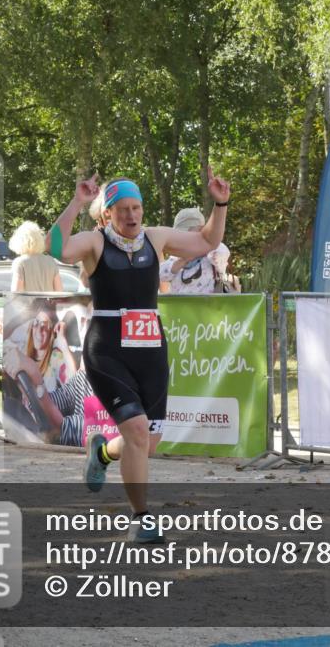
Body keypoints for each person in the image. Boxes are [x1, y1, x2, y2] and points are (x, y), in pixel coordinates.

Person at [53, 168, 231, 543]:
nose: (132, 216)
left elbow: (207, 241)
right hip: (108, 349)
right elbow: (58, 248)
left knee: (147, 442)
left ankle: (102, 452)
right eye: (123, 210)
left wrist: (220, 202)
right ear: (108, 214)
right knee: (135, 430)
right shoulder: (95, 243)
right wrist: (77, 201)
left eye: (137, 208)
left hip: (150, 350)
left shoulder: (156, 237)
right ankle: (142, 519)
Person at [159, 207, 218, 294]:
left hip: (206, 305)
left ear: (201, 230)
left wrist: (204, 248)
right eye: (181, 236)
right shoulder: (177, 256)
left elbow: (222, 257)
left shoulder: (211, 251)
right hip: (180, 305)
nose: (185, 239)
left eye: (188, 235)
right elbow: (161, 275)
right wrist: (183, 260)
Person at [9, 221, 63, 292]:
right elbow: (59, 291)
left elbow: (16, 292)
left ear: (19, 241)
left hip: (29, 303)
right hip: (49, 303)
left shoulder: (19, 263)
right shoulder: (51, 261)